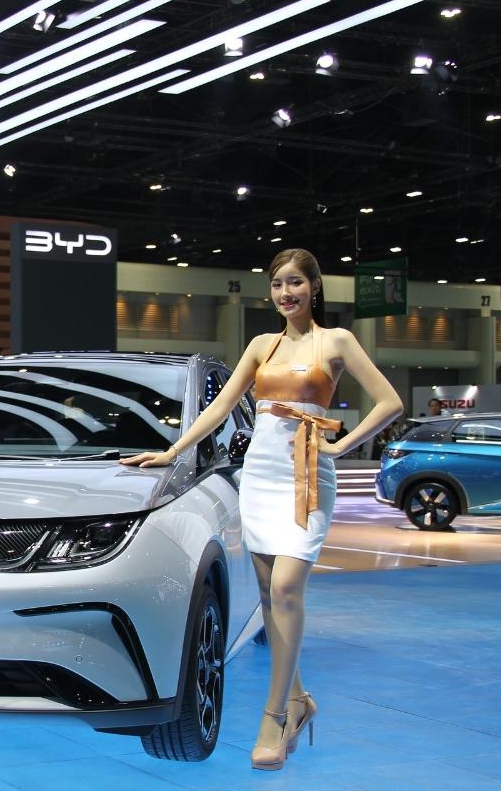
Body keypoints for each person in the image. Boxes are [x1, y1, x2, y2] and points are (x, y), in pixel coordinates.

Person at [121, 248, 402, 771]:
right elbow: (222, 406)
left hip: (307, 476)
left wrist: (341, 446)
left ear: (314, 287)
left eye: (295, 283)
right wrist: (173, 451)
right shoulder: (260, 345)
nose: (285, 293)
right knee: (271, 599)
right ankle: (300, 700)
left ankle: (274, 718)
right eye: (277, 284)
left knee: (287, 589)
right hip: (261, 475)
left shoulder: (336, 341)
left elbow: (390, 402)